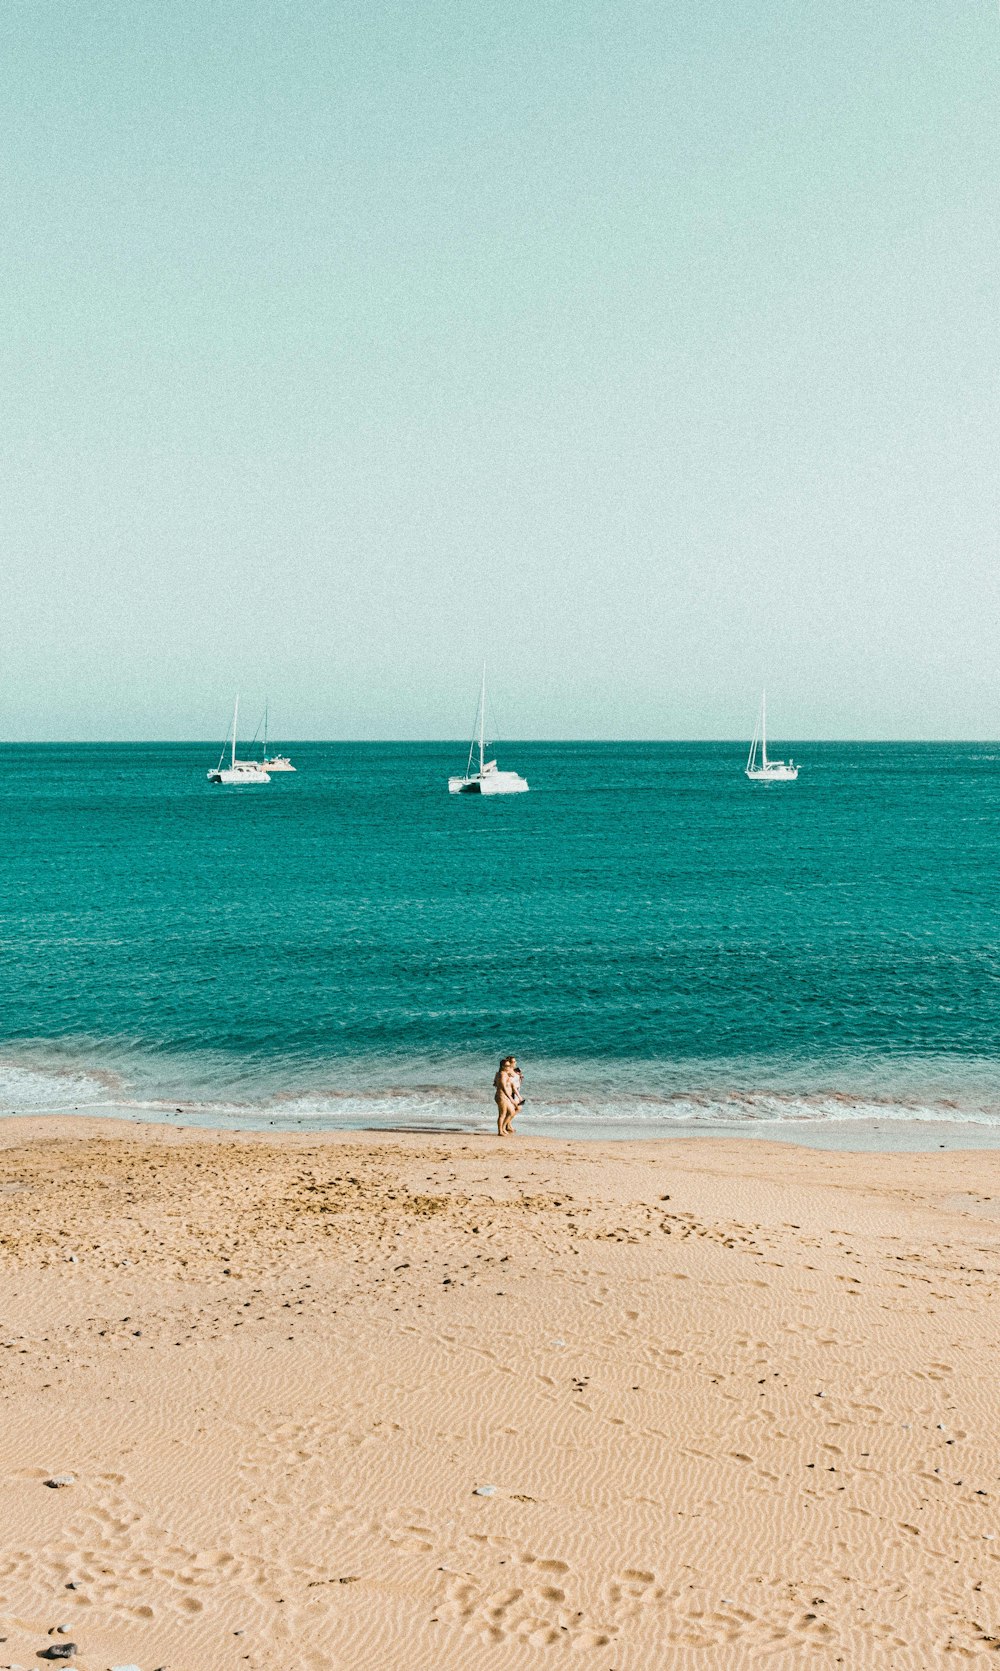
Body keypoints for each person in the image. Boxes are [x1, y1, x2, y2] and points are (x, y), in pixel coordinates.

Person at [493, 1056, 517, 1136]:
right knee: (502, 1114)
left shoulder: (503, 1074)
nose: (508, 1067)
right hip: (502, 1096)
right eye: (506, 1066)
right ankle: (500, 1131)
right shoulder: (503, 1074)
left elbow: (495, 1084)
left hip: (504, 1096)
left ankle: (503, 1128)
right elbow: (503, 1087)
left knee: (512, 1112)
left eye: (509, 1066)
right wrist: (511, 1098)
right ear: (502, 1066)